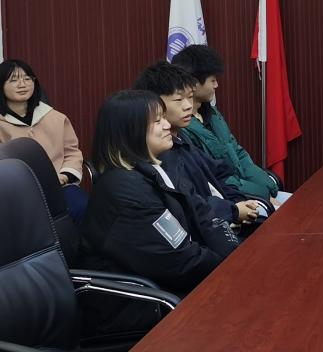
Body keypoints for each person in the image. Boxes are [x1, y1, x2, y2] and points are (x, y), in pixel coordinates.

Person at [79, 90, 239, 295]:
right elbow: (179, 262)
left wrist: (232, 255)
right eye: (157, 121)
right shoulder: (126, 192)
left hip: (181, 279)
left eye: (164, 117)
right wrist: (227, 267)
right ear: (131, 132)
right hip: (143, 299)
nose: (167, 125)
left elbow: (204, 215)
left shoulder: (162, 163)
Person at [133, 61, 263, 228]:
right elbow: (190, 203)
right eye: (178, 99)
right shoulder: (160, 150)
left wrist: (238, 202)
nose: (188, 106)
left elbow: (220, 173)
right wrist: (233, 210)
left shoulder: (181, 137)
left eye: (190, 97)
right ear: (154, 104)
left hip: (226, 218)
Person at [171, 44, 280, 202]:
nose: (216, 85)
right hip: (231, 199)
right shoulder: (182, 127)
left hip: (250, 192)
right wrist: (263, 196)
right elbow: (216, 178)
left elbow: (239, 154)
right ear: (194, 84)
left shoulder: (213, 113)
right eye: (212, 80)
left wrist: (268, 187)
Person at [0, 58, 87, 220]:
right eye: (13, 80)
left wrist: (64, 176)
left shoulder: (55, 118)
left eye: (27, 78)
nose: (22, 84)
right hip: (17, 192)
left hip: (60, 185)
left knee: (82, 207)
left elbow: (72, 153)